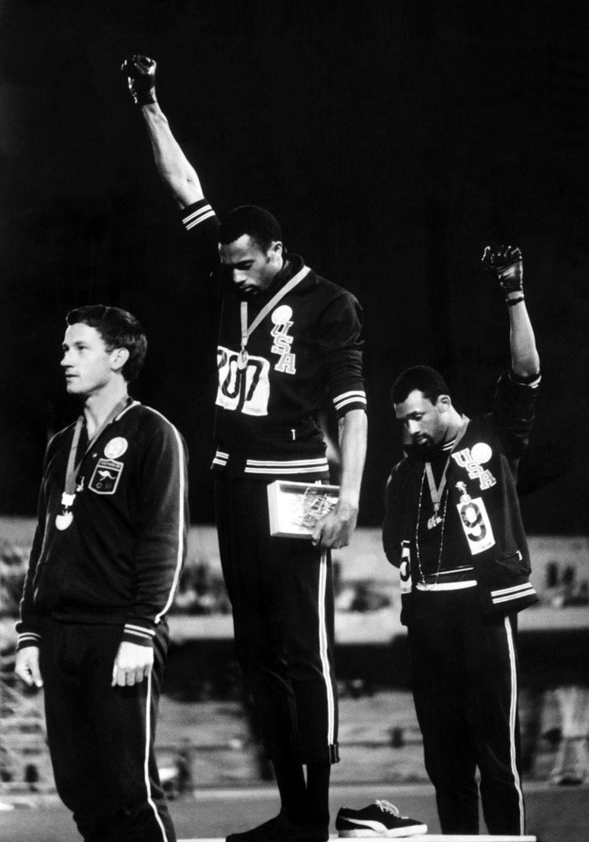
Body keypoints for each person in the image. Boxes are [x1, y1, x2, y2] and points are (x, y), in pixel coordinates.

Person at [121, 54, 368, 842]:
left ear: (273, 252)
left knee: (306, 647)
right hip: (233, 479)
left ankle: (317, 813)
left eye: (241, 265)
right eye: (224, 264)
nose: (229, 277)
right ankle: (292, 811)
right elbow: (184, 183)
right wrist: (149, 104)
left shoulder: (331, 306)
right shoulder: (231, 268)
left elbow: (354, 411)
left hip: (303, 482)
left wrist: (352, 496)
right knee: (254, 648)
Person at [382, 244, 541, 836]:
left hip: (482, 607)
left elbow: (526, 373)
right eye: (401, 419)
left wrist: (514, 293)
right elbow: (393, 543)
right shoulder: (402, 474)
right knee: (445, 763)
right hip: (426, 616)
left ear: (443, 404)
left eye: (417, 416)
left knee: (494, 760)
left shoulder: (493, 438)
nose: (409, 428)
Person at [15, 305, 188, 842]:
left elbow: (165, 541)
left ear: (117, 357)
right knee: (79, 789)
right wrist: (29, 632)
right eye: (65, 348)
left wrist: (141, 630)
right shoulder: (61, 445)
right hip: (61, 636)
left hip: (119, 634)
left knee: (128, 789)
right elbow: (44, 543)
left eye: (79, 348)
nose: (64, 359)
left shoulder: (154, 434)